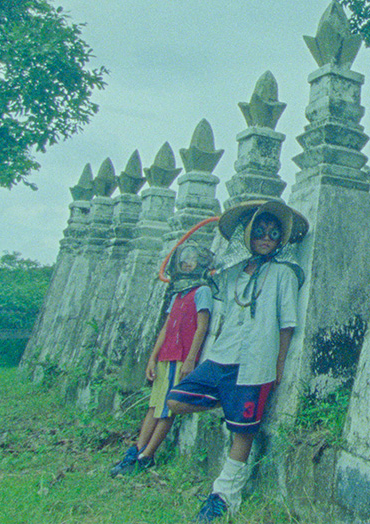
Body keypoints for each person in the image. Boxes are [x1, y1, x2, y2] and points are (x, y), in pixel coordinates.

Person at [165, 198, 307, 522]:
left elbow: (286, 323)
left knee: (243, 432)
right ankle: (226, 401)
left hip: (257, 361)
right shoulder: (231, 275)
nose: (266, 238)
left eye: (274, 233)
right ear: (248, 234)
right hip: (222, 356)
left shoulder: (284, 274)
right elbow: (222, 313)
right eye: (260, 231)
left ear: (280, 240)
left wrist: (279, 364)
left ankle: (223, 497)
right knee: (176, 401)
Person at [110, 242, 213, 477]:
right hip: (166, 356)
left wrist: (190, 360)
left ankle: (147, 457)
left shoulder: (202, 291)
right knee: (154, 407)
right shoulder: (177, 293)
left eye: (193, 259)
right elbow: (166, 327)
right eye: (183, 259)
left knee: (167, 410)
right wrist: (152, 358)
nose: (187, 262)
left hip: (181, 358)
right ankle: (135, 451)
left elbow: (202, 327)